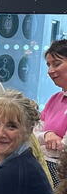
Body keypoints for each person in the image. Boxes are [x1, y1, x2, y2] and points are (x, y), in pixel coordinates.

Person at [34, 39, 67, 186]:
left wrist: (42, 143)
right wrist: (47, 135)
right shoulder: (55, 99)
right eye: (48, 65)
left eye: (56, 64)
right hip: (45, 171)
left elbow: (63, 148)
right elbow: (31, 135)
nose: (50, 70)